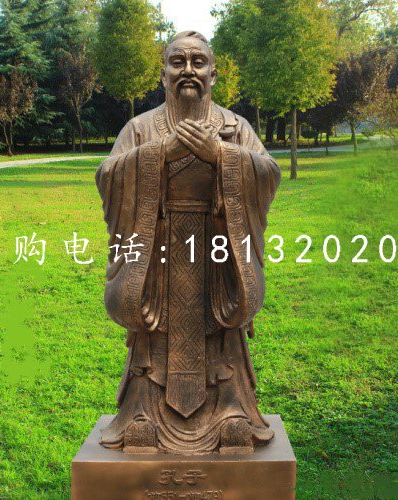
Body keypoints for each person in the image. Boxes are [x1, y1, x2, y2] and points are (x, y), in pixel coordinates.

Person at [95, 31, 281, 454]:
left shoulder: (236, 127)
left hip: (217, 253)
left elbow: (268, 174)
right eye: (177, 62)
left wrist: (222, 155)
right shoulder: (140, 128)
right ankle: (143, 414)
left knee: (220, 333)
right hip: (158, 253)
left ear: (213, 74)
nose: (188, 71)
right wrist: (158, 153)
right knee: (155, 334)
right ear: (163, 74)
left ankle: (231, 412)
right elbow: (108, 177)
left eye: (199, 62)